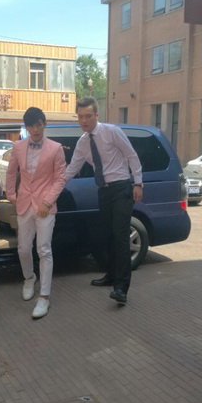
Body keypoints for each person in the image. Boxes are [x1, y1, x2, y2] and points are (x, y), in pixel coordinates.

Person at [65, 97, 143, 305]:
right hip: (104, 191)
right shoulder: (83, 143)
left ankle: (121, 288)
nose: (84, 121)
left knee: (120, 236)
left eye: (88, 116)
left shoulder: (112, 132)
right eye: (80, 117)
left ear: (96, 115)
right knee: (106, 236)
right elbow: (71, 169)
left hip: (121, 188)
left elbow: (132, 155)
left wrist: (138, 183)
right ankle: (111, 275)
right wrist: (52, 186)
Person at [6, 107, 66, 318]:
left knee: (44, 249)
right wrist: (11, 194)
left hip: (45, 207)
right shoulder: (18, 146)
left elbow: (60, 178)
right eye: (31, 126)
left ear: (44, 124)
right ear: (26, 127)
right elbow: (11, 172)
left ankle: (44, 297)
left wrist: (48, 202)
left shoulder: (56, 148)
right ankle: (29, 277)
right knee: (23, 248)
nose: (35, 129)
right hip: (24, 203)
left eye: (39, 125)